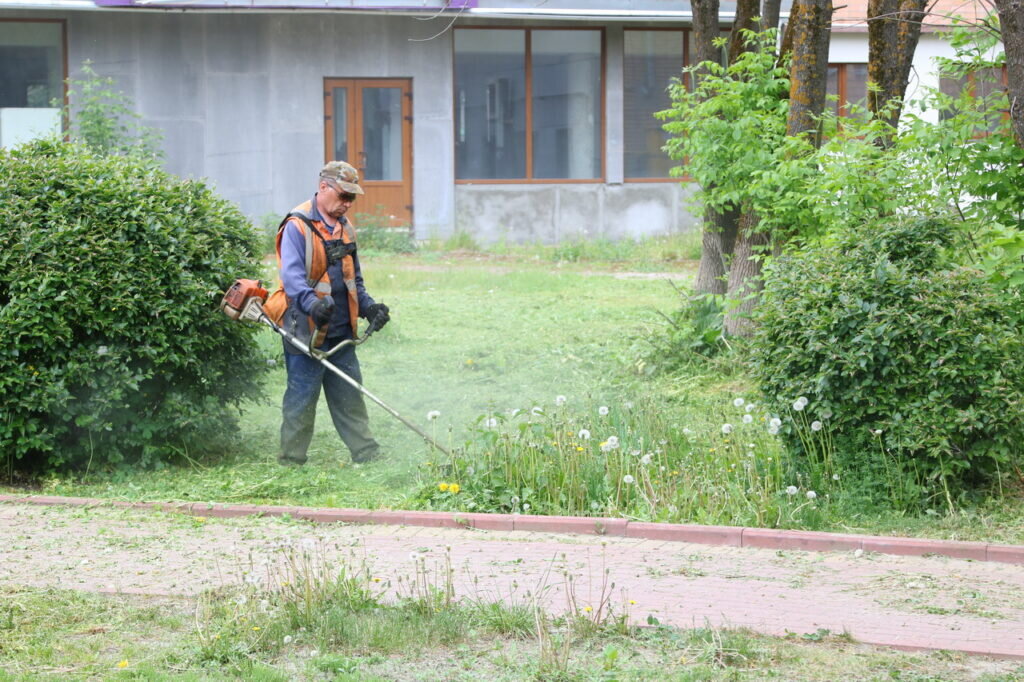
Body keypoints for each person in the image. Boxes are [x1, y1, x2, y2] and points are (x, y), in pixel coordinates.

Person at [273, 161, 390, 466]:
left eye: (352, 199)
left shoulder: (346, 228)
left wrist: (369, 307)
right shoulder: (297, 225)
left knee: (350, 395)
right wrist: (313, 305)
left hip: (340, 330)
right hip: (305, 329)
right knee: (302, 399)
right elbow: (293, 280)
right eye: (343, 196)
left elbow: (355, 281)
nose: (347, 204)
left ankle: (366, 453)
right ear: (323, 187)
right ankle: (291, 460)